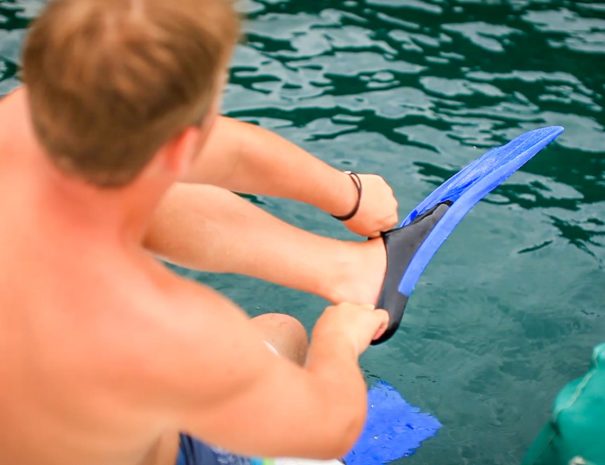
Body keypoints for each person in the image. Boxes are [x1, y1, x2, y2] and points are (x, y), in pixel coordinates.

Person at [0, 1, 401, 465]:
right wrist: (339, 341)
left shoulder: (16, 127)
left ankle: (344, 269)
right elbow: (327, 429)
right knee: (285, 335)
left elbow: (224, 152)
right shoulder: (172, 330)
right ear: (185, 145)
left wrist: (347, 195)